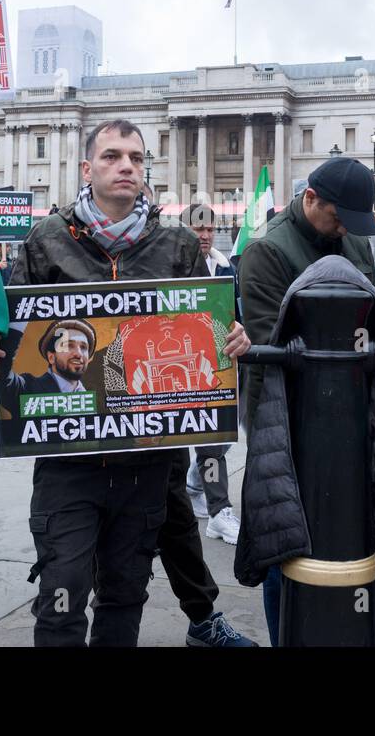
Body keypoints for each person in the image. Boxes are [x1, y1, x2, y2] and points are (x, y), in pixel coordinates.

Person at [0, 119, 255, 647]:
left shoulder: (179, 245)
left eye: (137, 159)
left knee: (125, 595)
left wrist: (233, 338)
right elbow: (11, 325)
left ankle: (200, 617)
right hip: (69, 464)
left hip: (150, 454)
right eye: (112, 156)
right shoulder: (46, 239)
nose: (126, 166)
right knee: (61, 595)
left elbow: (214, 330)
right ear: (87, 168)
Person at [237, 156, 375, 647]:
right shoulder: (266, 252)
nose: (343, 228)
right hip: (288, 422)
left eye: (352, 221)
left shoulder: (354, 238)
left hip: (356, 412)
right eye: (337, 216)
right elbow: (268, 345)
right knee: (288, 537)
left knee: (369, 533)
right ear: (311, 198)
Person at [178, 203, 240, 544]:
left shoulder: (224, 265)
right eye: (197, 228)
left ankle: (196, 483)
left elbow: (235, 311)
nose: (204, 235)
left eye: (209, 229)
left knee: (221, 438)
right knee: (211, 442)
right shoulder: (169, 265)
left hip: (218, 367)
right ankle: (219, 512)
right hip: (180, 367)